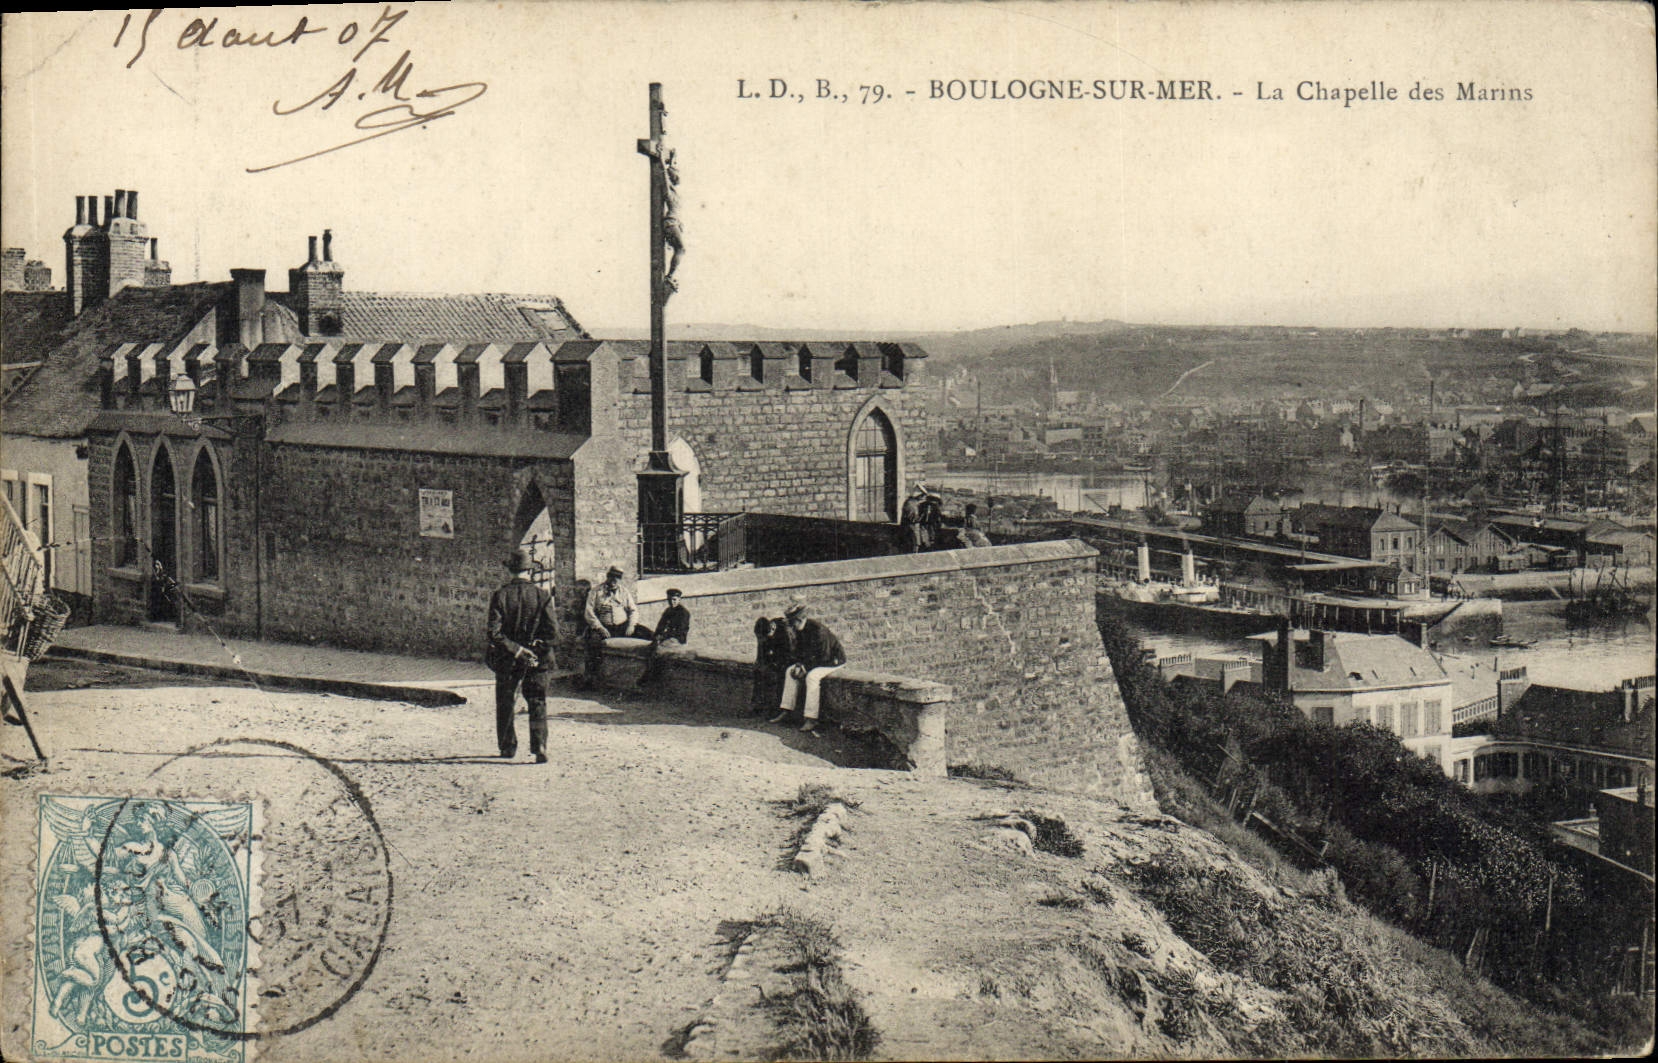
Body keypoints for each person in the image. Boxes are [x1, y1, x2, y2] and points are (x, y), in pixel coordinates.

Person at [487, 547, 559, 763]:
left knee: (506, 700)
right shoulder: (543, 596)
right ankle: (540, 746)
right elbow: (553, 633)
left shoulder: (501, 596)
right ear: (530, 571)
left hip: (508, 659)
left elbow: (494, 633)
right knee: (537, 700)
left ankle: (508, 747)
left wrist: (517, 650)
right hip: (537, 659)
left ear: (511, 571)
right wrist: (535, 649)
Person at [769, 602, 846, 734]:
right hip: (815, 661)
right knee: (790, 672)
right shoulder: (800, 630)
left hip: (832, 661)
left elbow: (824, 656)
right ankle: (786, 710)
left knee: (812, 677)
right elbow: (800, 652)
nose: (791, 626)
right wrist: (799, 665)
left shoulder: (818, 630)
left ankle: (811, 718)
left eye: (792, 622)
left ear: (799, 620)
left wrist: (805, 668)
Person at [582, 566, 651, 688]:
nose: (614, 580)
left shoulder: (624, 592)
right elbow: (589, 612)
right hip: (604, 627)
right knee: (592, 643)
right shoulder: (596, 592)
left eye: (617, 577)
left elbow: (633, 610)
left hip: (622, 626)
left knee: (648, 634)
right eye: (612, 576)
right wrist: (599, 627)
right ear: (608, 577)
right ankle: (592, 678)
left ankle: (649, 675)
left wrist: (631, 625)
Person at [638, 588, 691, 686]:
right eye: (670, 600)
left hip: (677, 639)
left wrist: (662, 637)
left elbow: (679, 631)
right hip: (667, 637)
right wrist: (657, 635)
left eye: (674, 599)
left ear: (679, 599)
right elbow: (661, 625)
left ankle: (651, 676)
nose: (672, 602)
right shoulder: (668, 611)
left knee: (659, 651)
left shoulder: (684, 613)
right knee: (651, 648)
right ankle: (651, 675)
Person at [751, 614, 795, 714]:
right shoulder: (764, 631)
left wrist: (775, 664)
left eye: (765, 638)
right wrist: (760, 665)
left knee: (778, 676)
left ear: (771, 630)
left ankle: (777, 707)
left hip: (789, 661)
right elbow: (761, 655)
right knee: (759, 672)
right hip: (776, 661)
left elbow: (789, 653)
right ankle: (758, 704)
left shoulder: (784, 632)